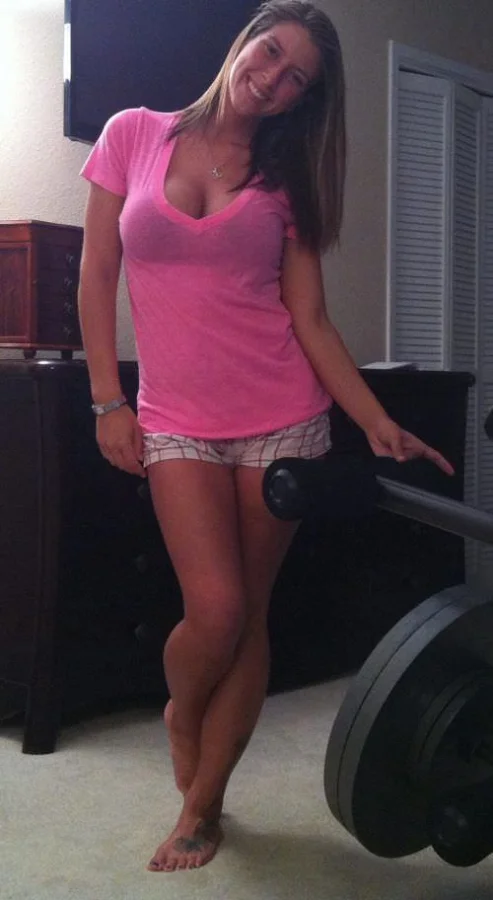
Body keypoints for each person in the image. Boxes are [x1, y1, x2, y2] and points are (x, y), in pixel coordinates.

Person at [78, 0, 454, 874]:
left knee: (248, 615)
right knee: (213, 610)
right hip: (175, 420)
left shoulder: (288, 178)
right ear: (245, 38)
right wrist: (106, 401)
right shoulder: (132, 133)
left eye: (297, 79)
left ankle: (202, 806)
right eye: (271, 51)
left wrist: (375, 420)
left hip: (283, 418)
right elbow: (98, 273)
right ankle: (183, 713)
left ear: (302, 100)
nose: (274, 78)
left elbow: (309, 319)